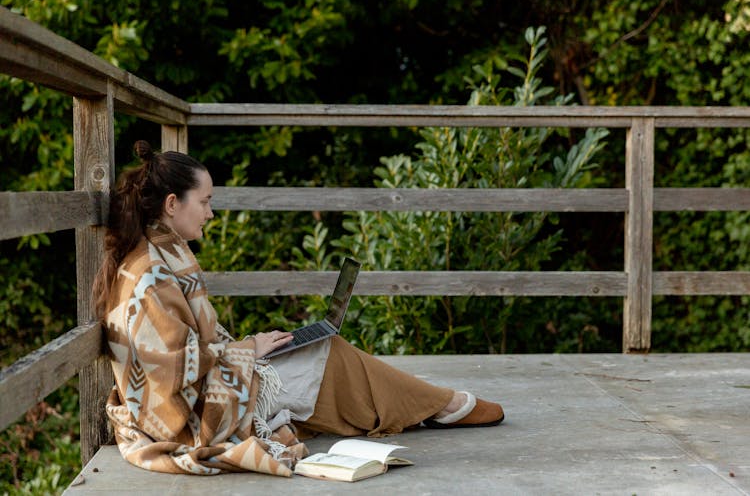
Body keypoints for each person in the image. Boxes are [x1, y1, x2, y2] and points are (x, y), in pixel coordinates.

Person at [93, 140, 504, 478]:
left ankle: (431, 406)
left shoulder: (161, 254)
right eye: (205, 201)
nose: (211, 212)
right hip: (190, 418)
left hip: (203, 391)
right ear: (171, 204)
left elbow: (180, 352)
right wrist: (248, 350)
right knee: (327, 355)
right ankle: (443, 406)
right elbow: (169, 370)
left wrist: (249, 348)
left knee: (313, 353)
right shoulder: (150, 275)